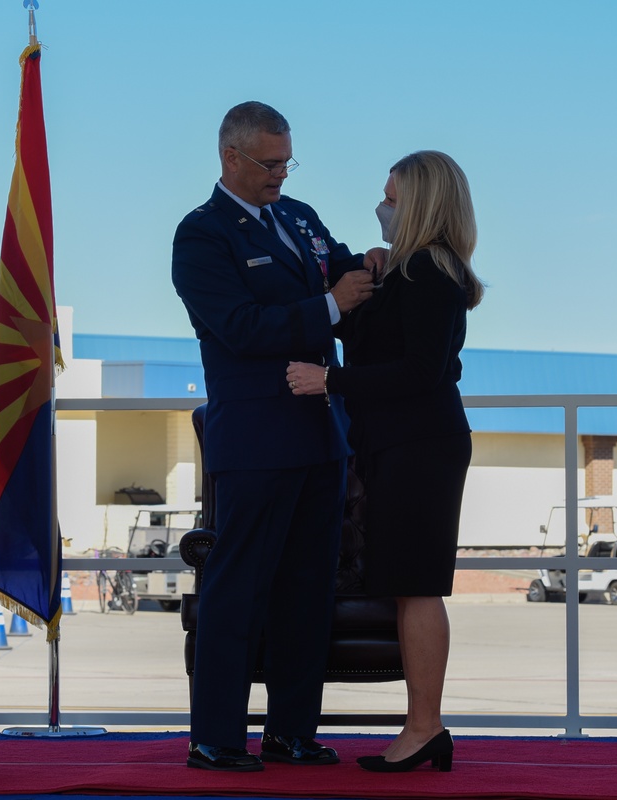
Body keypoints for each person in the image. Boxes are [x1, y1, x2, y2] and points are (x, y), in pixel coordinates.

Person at [172, 101, 381, 772]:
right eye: (268, 163)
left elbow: (349, 277)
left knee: (306, 588)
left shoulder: (300, 219)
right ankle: (216, 738)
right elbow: (238, 327)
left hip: (323, 435)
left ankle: (291, 730)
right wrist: (328, 305)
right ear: (230, 157)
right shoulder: (202, 236)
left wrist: (377, 267)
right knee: (237, 590)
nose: (280, 175)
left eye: (287, 161)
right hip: (257, 438)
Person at [286, 150, 485, 773]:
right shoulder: (411, 268)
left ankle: (425, 727)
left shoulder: (429, 269)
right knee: (407, 586)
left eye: (392, 197)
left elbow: (421, 371)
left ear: (421, 204)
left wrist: (331, 382)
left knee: (418, 587)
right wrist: (369, 271)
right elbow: (375, 336)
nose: (382, 205)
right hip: (402, 443)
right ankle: (424, 727)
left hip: (420, 445)